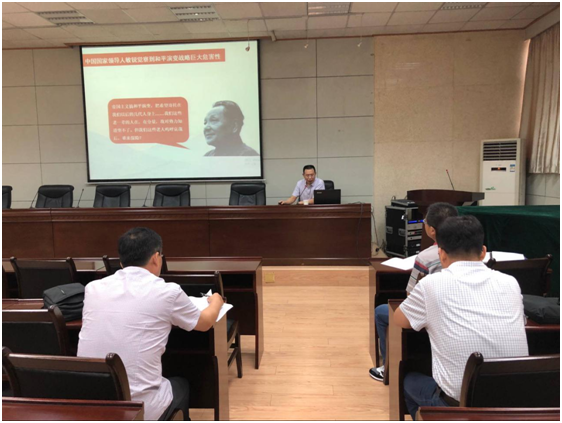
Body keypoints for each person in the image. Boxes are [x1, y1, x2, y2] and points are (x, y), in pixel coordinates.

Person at [77, 227, 225, 421]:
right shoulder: (167, 292)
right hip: (137, 407)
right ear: (156, 258)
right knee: (182, 384)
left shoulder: (93, 288)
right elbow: (205, 323)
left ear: (121, 261)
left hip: (91, 401)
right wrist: (216, 301)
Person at [394, 216, 528, 419]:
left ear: (441, 254)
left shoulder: (431, 284)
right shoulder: (510, 282)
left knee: (408, 381)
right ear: (483, 252)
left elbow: (400, 320)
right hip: (514, 403)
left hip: (460, 406)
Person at [369, 202, 458, 382]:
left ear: (431, 230)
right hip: (457, 314)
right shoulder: (472, 252)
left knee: (381, 312)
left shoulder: (426, 257)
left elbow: (410, 296)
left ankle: (387, 368)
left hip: (433, 316)